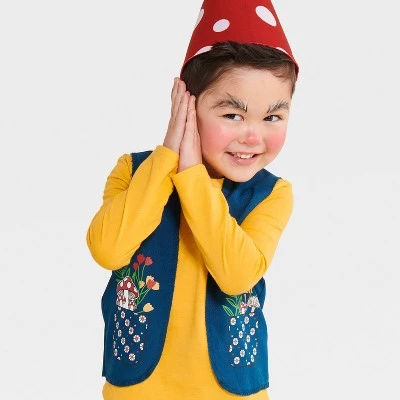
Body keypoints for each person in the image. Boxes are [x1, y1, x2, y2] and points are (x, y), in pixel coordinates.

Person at [86, 1, 299, 399]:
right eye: (232, 115)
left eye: (273, 117)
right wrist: (169, 156)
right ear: (187, 105)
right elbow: (108, 249)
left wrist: (191, 174)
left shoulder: (271, 194)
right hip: (138, 390)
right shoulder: (134, 171)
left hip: (234, 392)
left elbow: (236, 275)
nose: (253, 136)